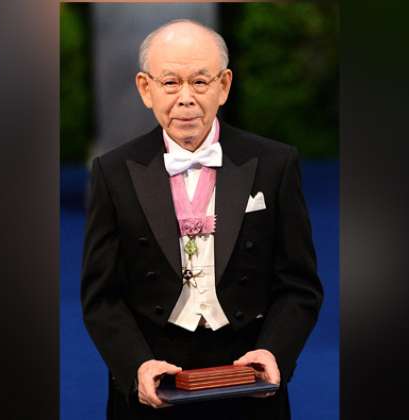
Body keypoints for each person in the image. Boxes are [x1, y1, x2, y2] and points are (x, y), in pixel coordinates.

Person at [81, 19, 323, 420]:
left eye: (200, 82)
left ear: (224, 85)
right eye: (170, 82)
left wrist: (273, 352)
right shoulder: (113, 171)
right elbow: (101, 297)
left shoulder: (274, 164)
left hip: (248, 375)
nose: (186, 98)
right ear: (146, 88)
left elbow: (300, 285)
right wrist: (136, 365)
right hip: (155, 377)